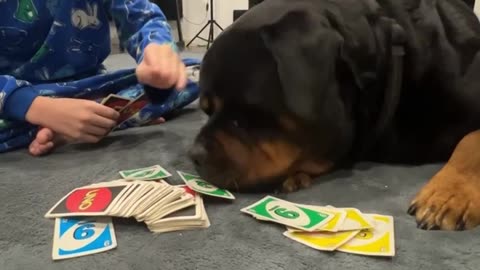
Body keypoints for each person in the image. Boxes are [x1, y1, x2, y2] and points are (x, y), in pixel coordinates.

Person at [0, 0, 200, 156]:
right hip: (13, 95)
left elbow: (142, 16)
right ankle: (96, 120)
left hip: (88, 87)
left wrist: (157, 49)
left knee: (194, 73)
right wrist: (36, 107)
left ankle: (75, 125)